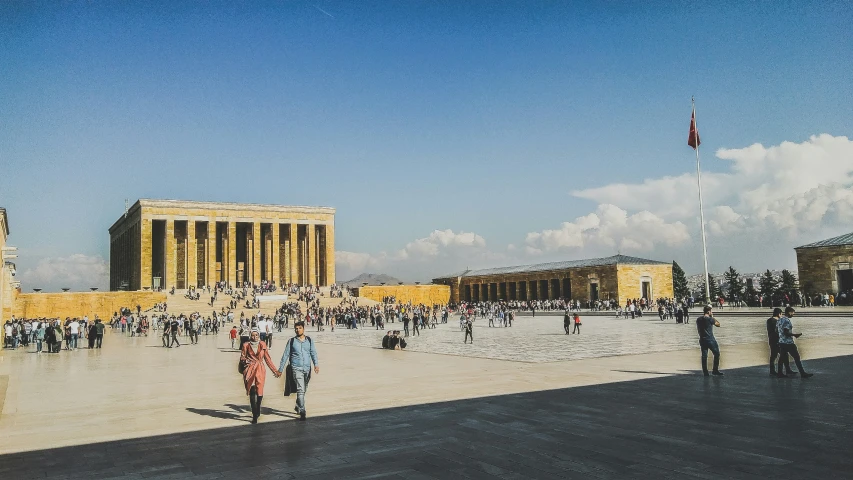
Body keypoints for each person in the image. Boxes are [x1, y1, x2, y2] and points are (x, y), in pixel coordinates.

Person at [279, 321, 319, 421]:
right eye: (296, 328)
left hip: (307, 368)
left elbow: (313, 353)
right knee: (300, 389)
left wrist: (316, 365)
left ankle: (298, 404)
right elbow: (285, 355)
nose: (298, 330)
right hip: (296, 368)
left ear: (303, 329)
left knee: (304, 389)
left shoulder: (309, 340)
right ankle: (302, 410)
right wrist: (280, 369)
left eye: (299, 328)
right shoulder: (291, 341)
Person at [240, 329, 281, 424]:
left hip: (260, 369)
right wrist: (246, 361)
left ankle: (258, 406)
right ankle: (254, 414)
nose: (254, 337)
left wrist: (275, 371)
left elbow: (267, 358)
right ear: (250, 336)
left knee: (259, 390)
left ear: (259, 336)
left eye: (256, 335)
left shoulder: (263, 344)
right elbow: (242, 357)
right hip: (249, 370)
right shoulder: (246, 345)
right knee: (252, 390)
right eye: (253, 335)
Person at [777, 307, 814, 378]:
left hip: (781, 342)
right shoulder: (787, 321)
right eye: (793, 313)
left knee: (782, 358)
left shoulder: (780, 319)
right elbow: (786, 332)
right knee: (796, 357)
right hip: (788, 343)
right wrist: (795, 335)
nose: (793, 314)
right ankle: (802, 373)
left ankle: (780, 373)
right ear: (789, 312)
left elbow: (777, 330)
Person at [696, 305, 723, 376]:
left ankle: (705, 372)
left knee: (704, 356)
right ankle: (715, 370)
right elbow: (718, 324)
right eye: (711, 311)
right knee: (716, 354)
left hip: (702, 339)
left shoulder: (698, 319)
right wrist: (712, 317)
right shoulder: (710, 319)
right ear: (708, 311)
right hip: (710, 339)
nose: (712, 312)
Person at [766, 308, 792, 376]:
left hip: (771, 340)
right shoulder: (776, 321)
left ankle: (773, 370)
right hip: (777, 340)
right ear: (779, 314)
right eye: (781, 314)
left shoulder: (769, 320)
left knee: (774, 356)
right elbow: (778, 331)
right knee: (783, 355)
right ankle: (785, 370)